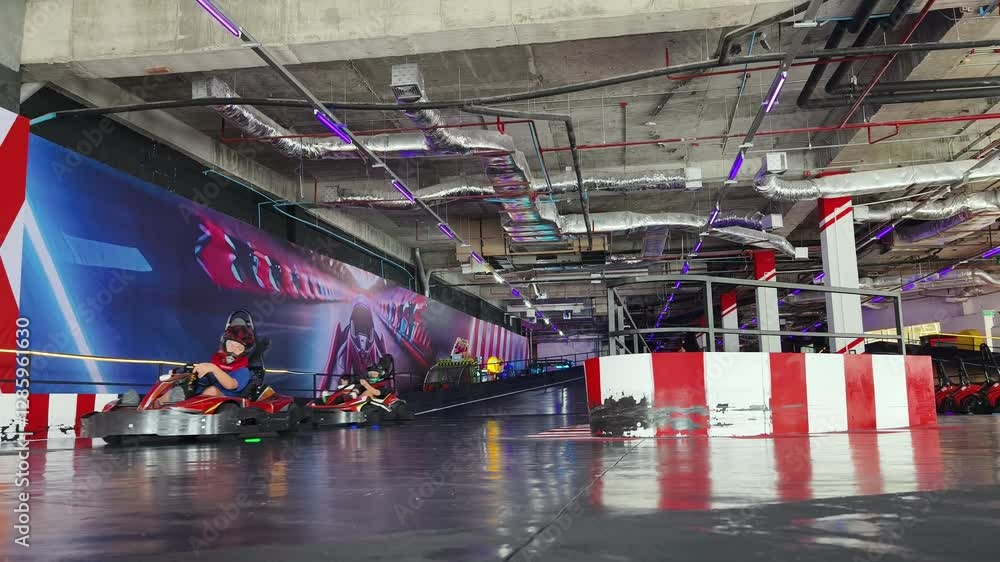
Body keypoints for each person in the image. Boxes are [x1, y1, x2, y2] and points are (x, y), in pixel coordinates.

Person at [192, 324, 256, 397]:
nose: (233, 350)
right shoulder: (216, 362)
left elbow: (231, 385)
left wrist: (214, 369)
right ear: (224, 344)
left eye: (239, 348)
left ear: (245, 352)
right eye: (231, 345)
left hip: (226, 404)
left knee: (212, 391)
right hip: (201, 395)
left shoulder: (243, 371)